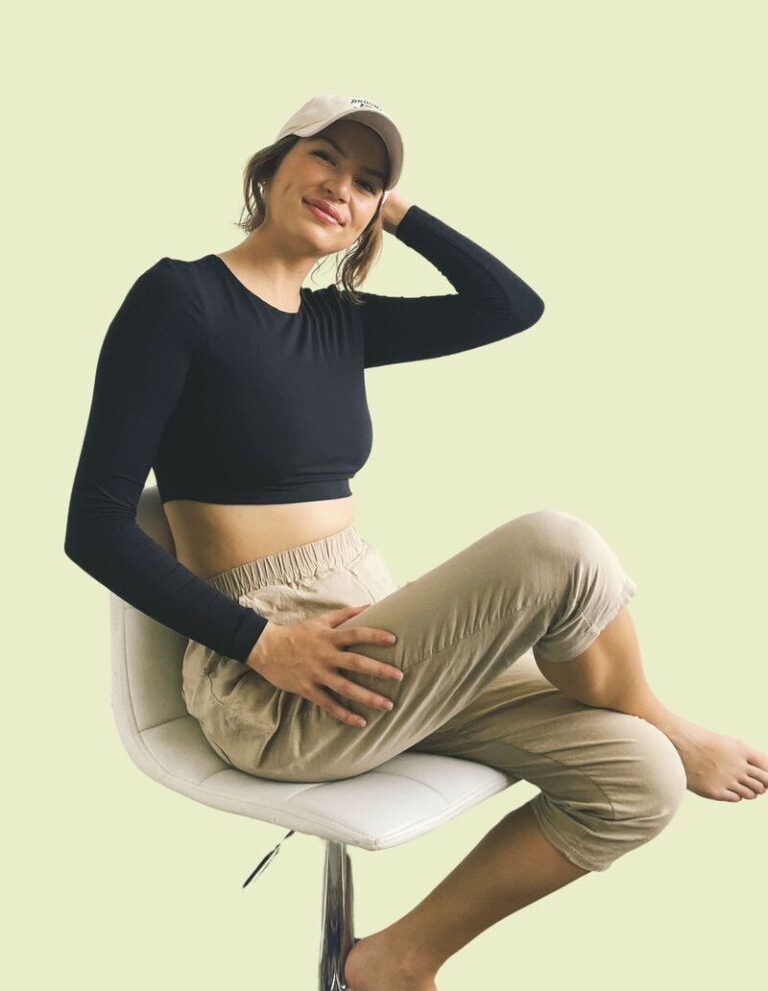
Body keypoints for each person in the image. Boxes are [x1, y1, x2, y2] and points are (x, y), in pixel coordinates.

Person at [64, 94, 767, 991]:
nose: (342, 188)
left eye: (368, 181)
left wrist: (394, 208)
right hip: (278, 681)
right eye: (324, 159)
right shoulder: (180, 299)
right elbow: (93, 525)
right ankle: (665, 714)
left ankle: (395, 961)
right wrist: (260, 642)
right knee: (557, 545)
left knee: (641, 781)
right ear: (271, 163)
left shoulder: (339, 324)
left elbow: (511, 305)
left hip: (369, 631)